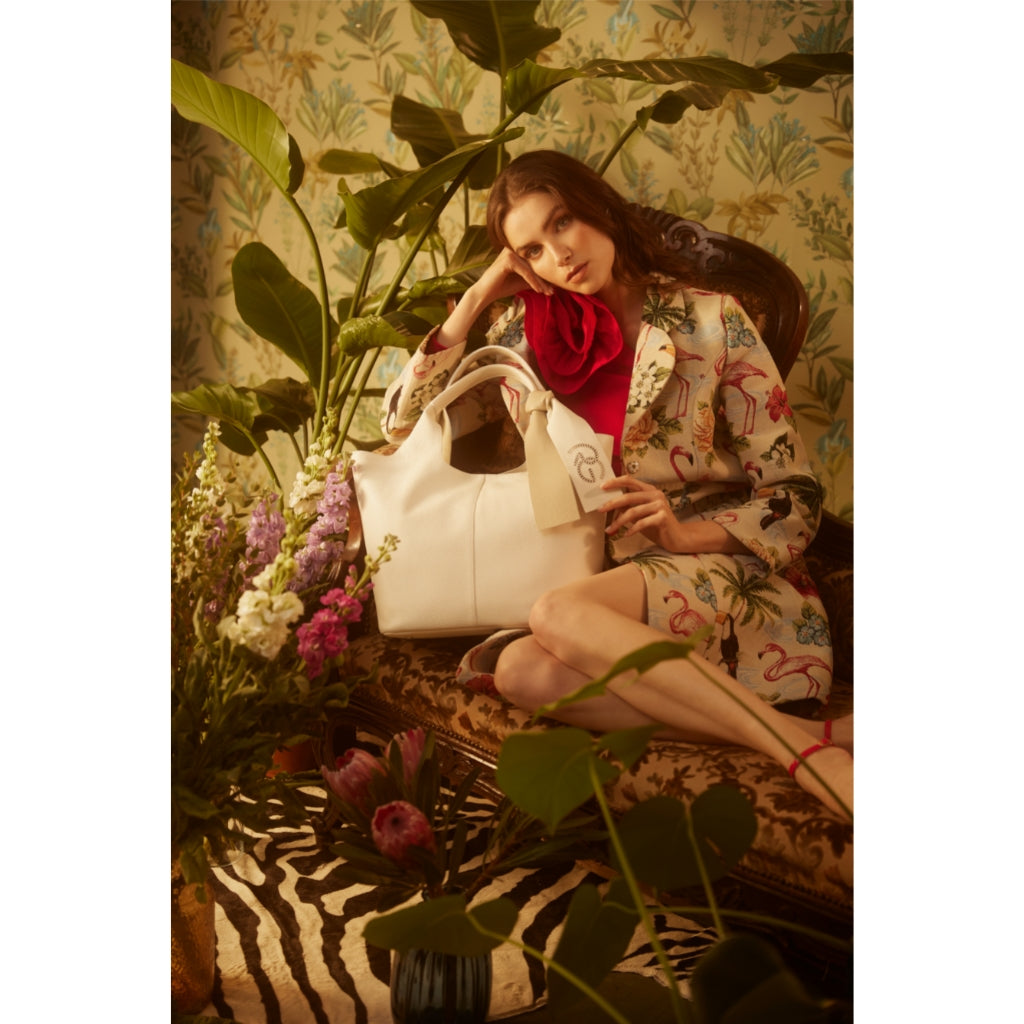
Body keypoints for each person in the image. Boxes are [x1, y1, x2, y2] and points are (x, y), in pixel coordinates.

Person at [381, 150, 852, 820]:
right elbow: (402, 428)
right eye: (532, 250)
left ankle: (809, 761)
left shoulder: (712, 319)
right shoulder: (522, 340)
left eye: (563, 222)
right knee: (518, 671)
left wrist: (683, 531)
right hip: (603, 591)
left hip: (715, 572)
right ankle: (809, 738)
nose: (559, 255)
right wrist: (480, 298)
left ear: (597, 204)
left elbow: (794, 495)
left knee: (551, 614)